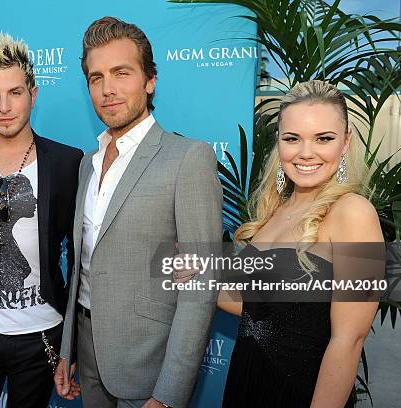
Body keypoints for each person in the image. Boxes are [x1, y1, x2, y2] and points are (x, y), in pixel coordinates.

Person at [54, 16, 222, 408]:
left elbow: (200, 287)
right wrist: (68, 349)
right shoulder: (87, 163)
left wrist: (169, 394)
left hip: (150, 368)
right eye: (96, 78)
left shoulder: (188, 159)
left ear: (150, 80)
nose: (107, 89)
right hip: (88, 353)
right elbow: (81, 268)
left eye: (121, 73)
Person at [217, 80, 383, 407]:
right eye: (292, 138)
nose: (306, 153)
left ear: (346, 142)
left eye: (324, 138)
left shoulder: (354, 213)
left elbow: (349, 340)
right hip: (247, 382)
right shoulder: (275, 211)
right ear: (278, 142)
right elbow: (256, 309)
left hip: (303, 393)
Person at [0, 33, 82, 408]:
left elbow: (77, 261)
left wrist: (70, 343)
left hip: (40, 333)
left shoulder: (66, 162)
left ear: (33, 94)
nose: (4, 106)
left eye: (15, 92)